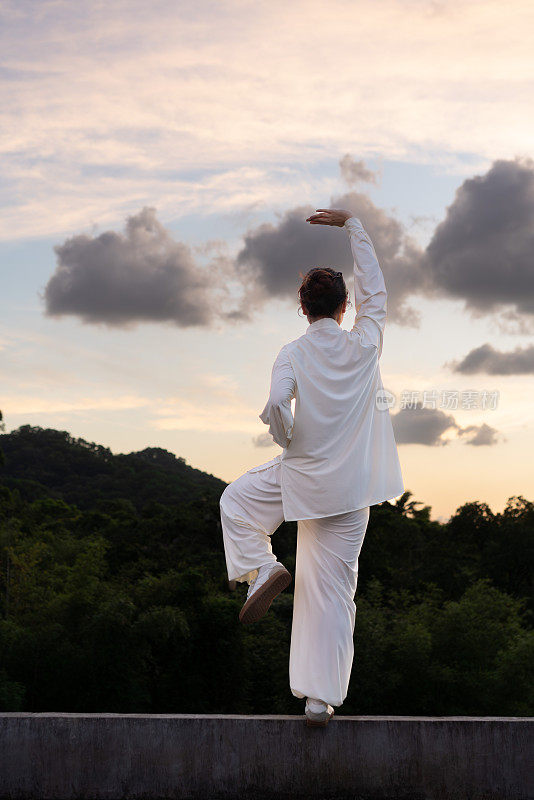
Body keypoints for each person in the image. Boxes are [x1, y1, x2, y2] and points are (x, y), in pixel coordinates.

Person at [220, 207, 404, 726]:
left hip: (299, 478)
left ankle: (260, 568)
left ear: (303, 309)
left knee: (235, 501)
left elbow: (277, 404)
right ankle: (319, 701)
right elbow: (378, 293)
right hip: (349, 493)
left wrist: (288, 440)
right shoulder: (365, 344)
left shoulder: (292, 353)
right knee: (331, 594)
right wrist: (355, 226)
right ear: (345, 307)